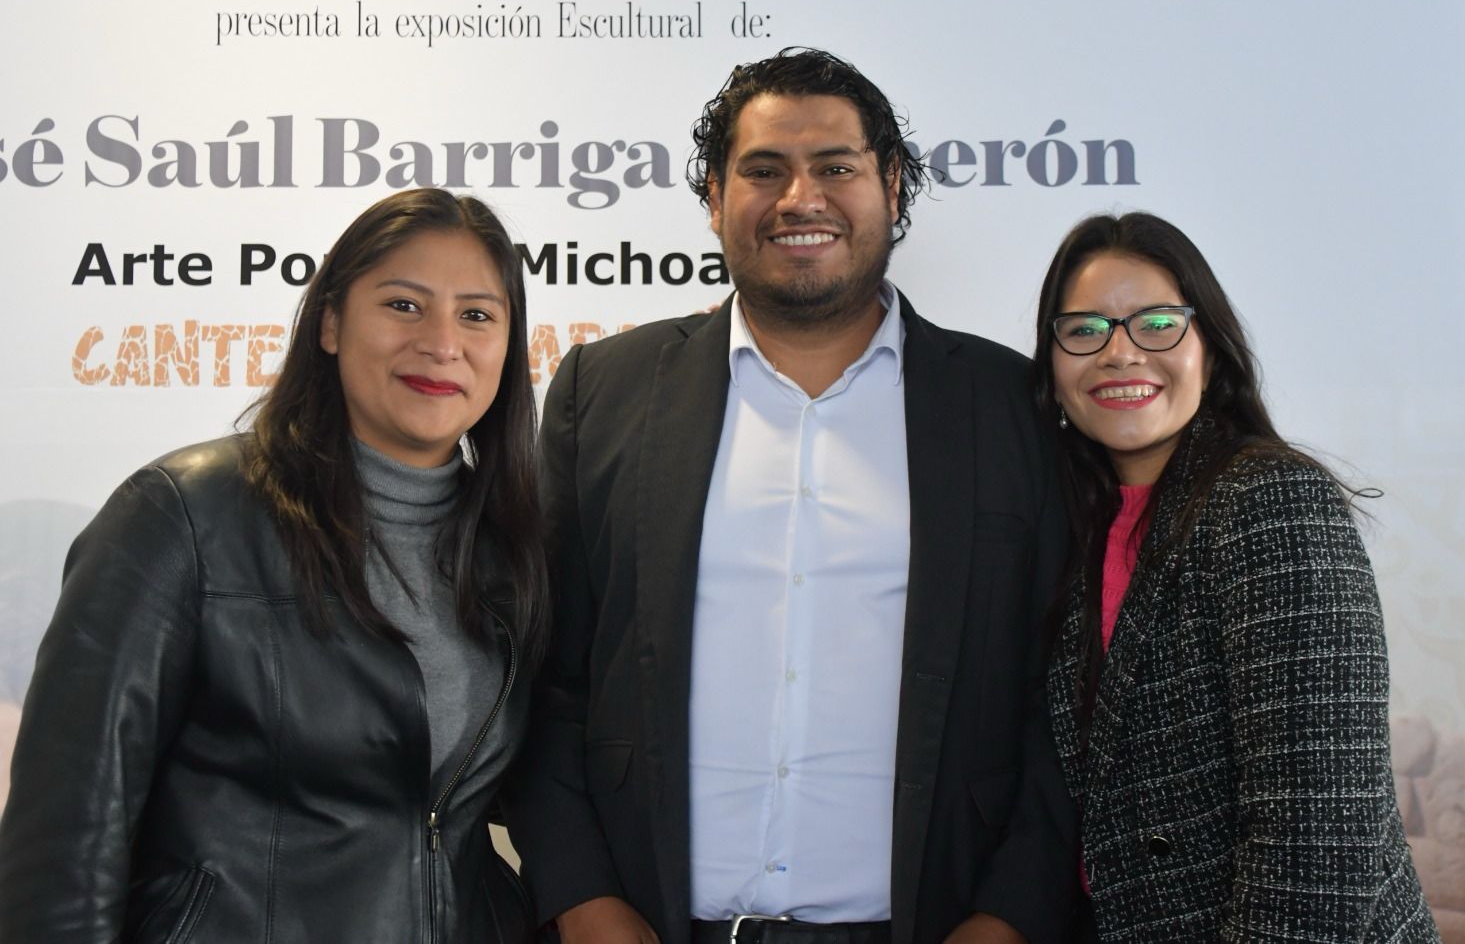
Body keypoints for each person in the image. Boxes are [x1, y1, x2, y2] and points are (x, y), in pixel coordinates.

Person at [503, 48, 1076, 944]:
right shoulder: (602, 391)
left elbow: (1062, 698)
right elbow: (544, 679)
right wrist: (582, 901)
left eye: (835, 168)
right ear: (713, 196)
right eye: (763, 170)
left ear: (891, 186)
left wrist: (1008, 917)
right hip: (650, 925)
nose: (799, 199)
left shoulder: (1011, 405)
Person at [0, 188, 547, 943]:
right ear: (330, 323)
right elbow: (65, 838)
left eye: (477, 315)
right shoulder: (181, 515)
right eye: (403, 305)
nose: (442, 343)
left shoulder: (516, 549)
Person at [1034, 212, 1438, 942]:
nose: (1119, 353)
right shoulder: (1068, 521)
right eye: (1084, 330)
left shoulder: (1270, 499)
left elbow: (1319, 839)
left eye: (1157, 324)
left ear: (1210, 350)